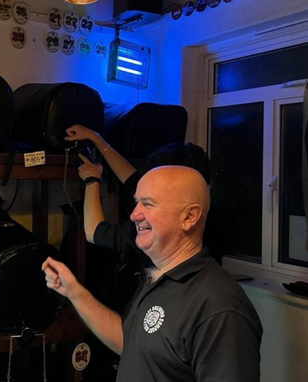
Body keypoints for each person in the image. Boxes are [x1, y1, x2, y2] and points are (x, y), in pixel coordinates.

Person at [43, 166, 262, 381]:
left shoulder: (220, 308)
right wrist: (75, 293)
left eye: (148, 204)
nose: (134, 215)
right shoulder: (157, 277)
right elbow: (132, 345)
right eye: (137, 202)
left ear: (190, 217)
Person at [64, 124, 226, 266]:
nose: (135, 215)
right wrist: (96, 138)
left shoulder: (153, 228)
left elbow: (94, 233)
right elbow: (133, 179)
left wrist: (92, 180)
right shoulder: (212, 215)